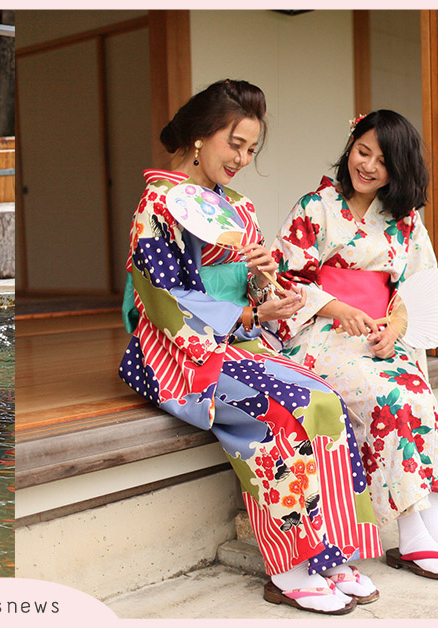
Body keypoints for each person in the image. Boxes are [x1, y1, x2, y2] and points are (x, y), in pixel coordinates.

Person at [118, 79, 382, 615]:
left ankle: (330, 553)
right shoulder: (158, 203)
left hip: (240, 339)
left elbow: (257, 292)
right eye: (234, 144)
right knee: (281, 412)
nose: (242, 159)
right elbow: (165, 300)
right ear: (200, 137)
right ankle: (288, 565)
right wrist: (249, 316)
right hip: (178, 348)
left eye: (251, 149)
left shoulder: (237, 206)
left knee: (325, 401)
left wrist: (267, 285)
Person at [273, 110, 438, 581]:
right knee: (389, 397)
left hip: (379, 333)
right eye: (362, 151)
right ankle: (411, 533)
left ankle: (432, 520)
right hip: (323, 333)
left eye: (382, 161)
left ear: (398, 169)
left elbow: (417, 284)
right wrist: (336, 307)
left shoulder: (405, 221)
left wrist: (396, 326)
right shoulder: (315, 207)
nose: (367, 166)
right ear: (350, 147)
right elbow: (284, 281)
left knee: (418, 396)